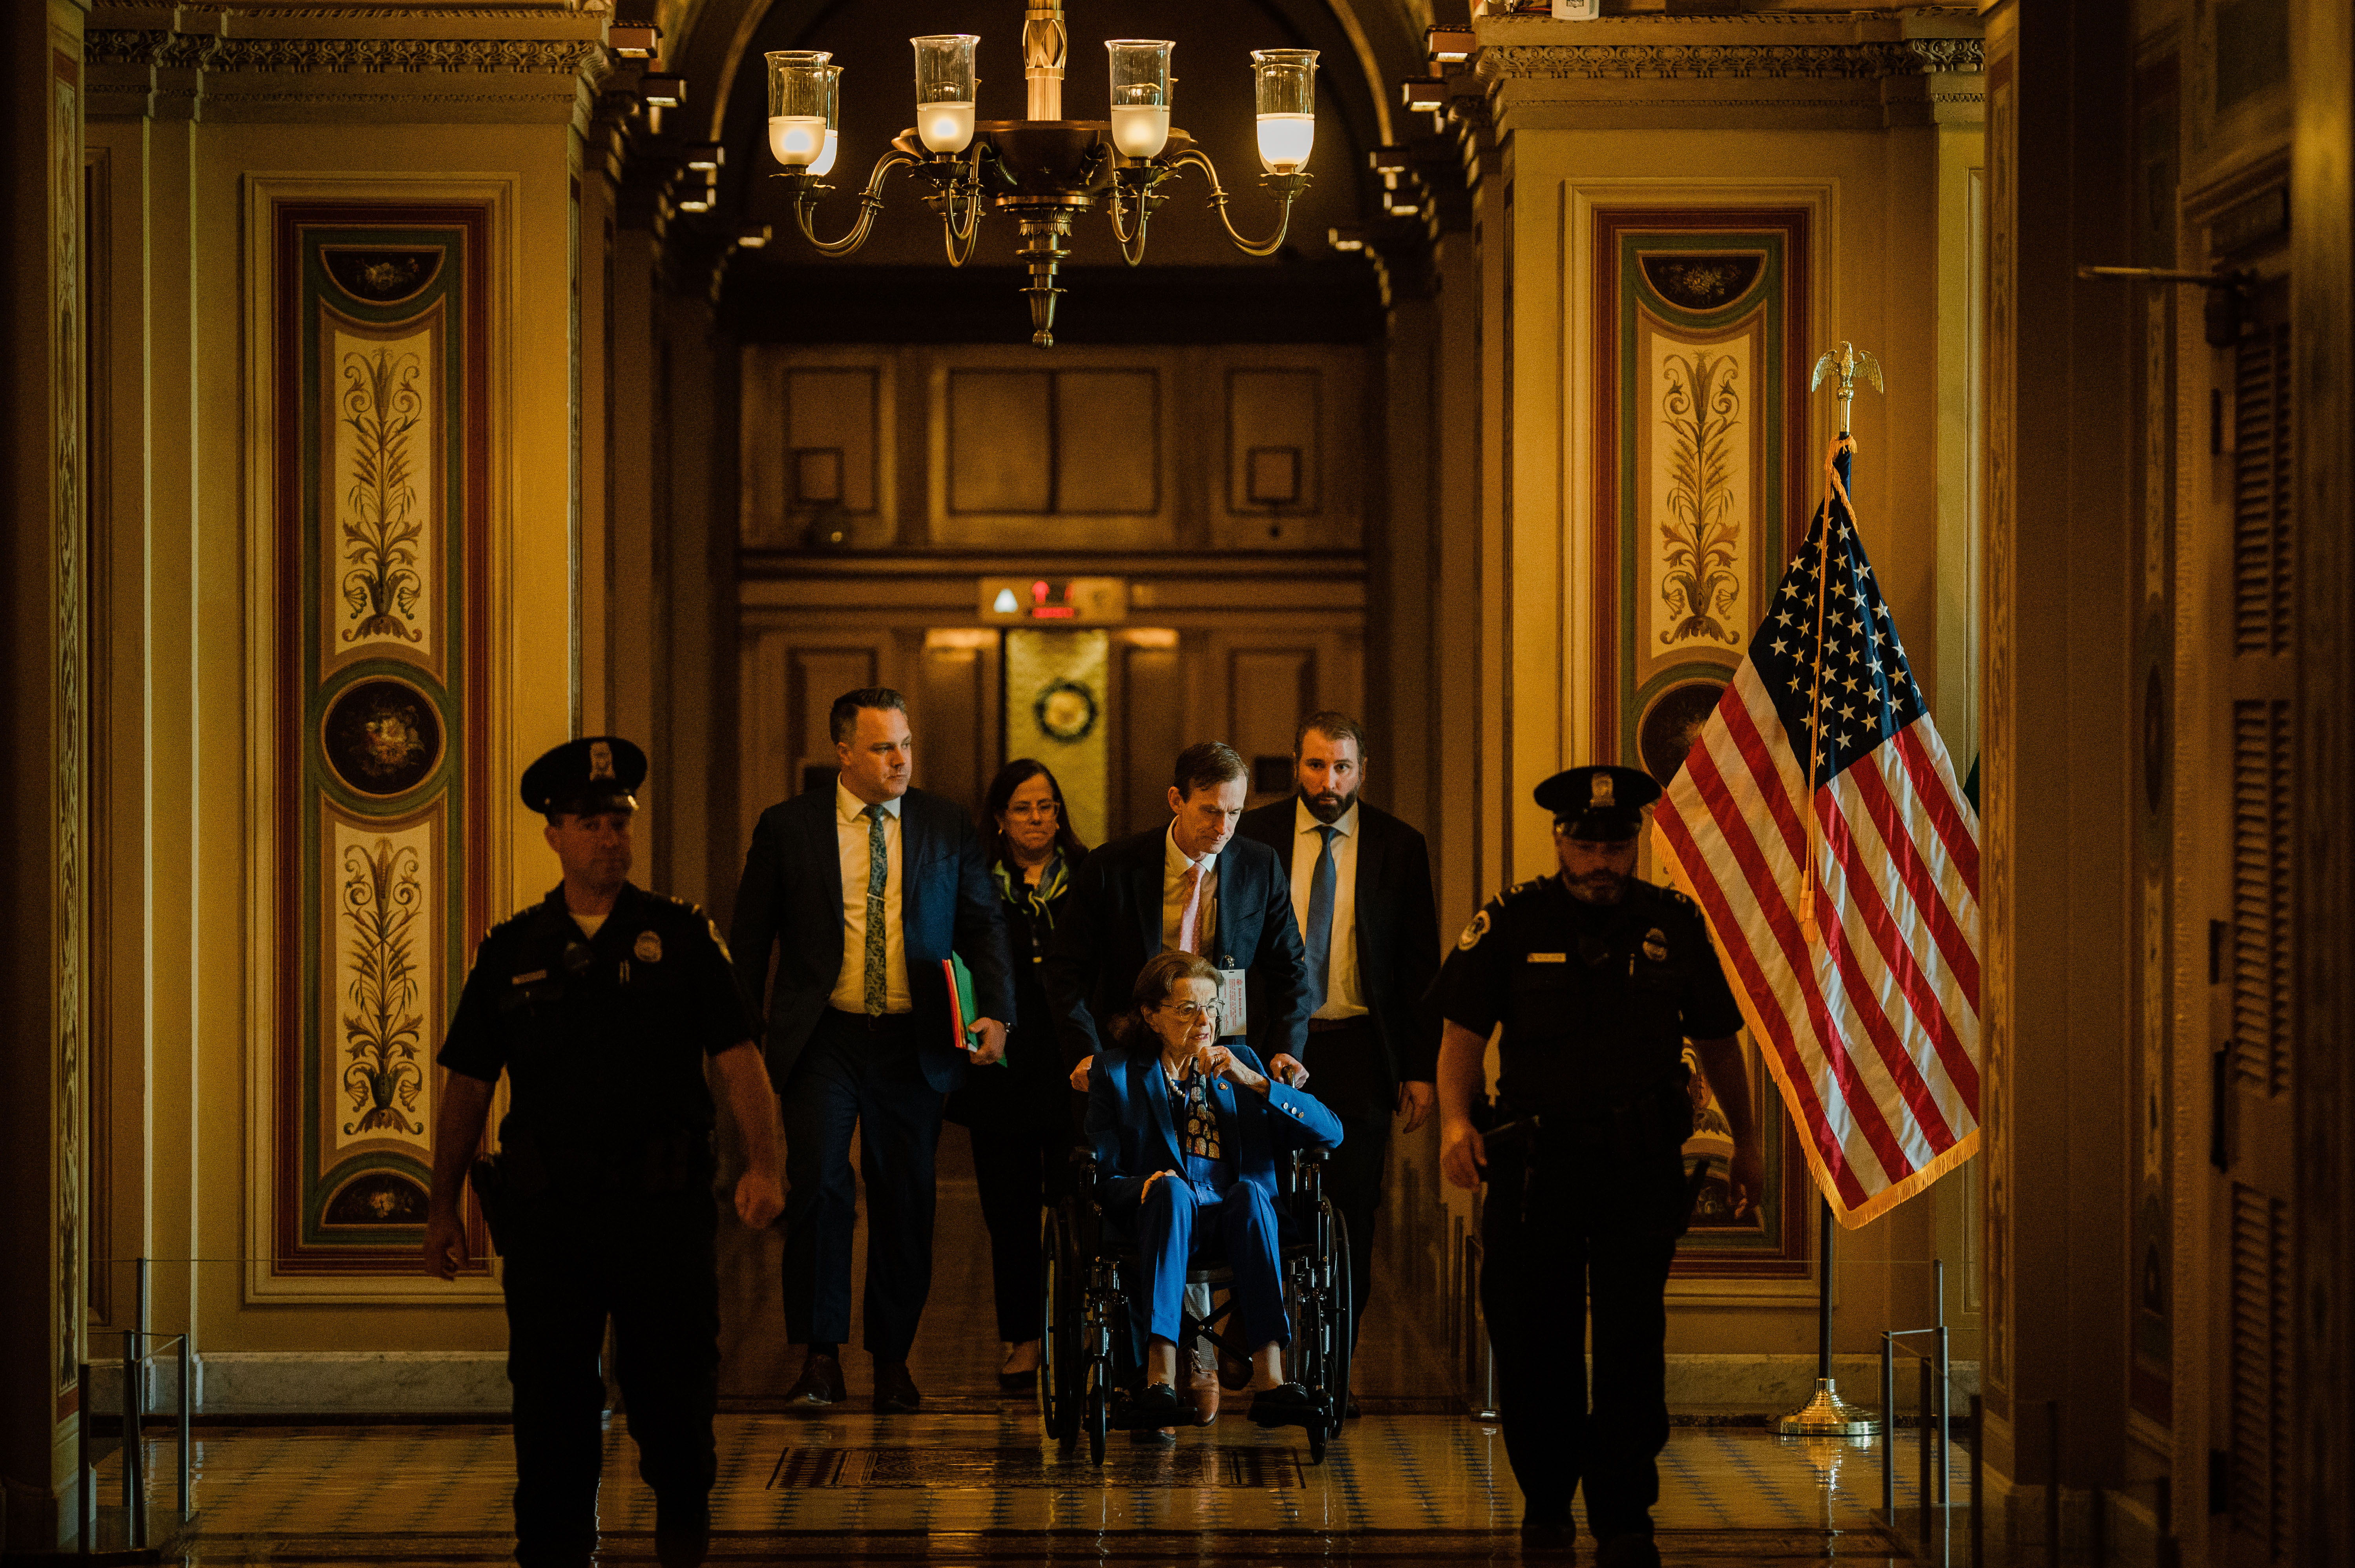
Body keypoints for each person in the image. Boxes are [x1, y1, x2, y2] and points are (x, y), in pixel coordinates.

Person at [422, 737, 784, 1568]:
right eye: (591, 824)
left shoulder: (683, 939)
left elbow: (741, 1065)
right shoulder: (513, 950)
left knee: (674, 1393)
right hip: (551, 1219)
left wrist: (767, 1167)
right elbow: (469, 1086)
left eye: (620, 822)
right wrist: (443, 1206)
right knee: (550, 1397)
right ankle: (553, 1550)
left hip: (662, 1213)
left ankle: (683, 1538)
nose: (610, 839)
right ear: (554, 834)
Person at [1433, 765, 1765, 1567]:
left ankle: (1624, 1513)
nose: (1601, 860)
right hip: (1535, 1165)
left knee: (1629, 1341)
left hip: (1637, 1164)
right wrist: (1452, 1121)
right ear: (1561, 843)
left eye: (1616, 845)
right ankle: (1547, 1502)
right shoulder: (1511, 921)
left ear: (1637, 843)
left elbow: (1720, 1040)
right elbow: (1463, 1035)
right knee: (1532, 1338)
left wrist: (1749, 1142)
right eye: (1586, 844)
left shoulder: (1674, 923)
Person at [727, 687, 1015, 1415]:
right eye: (884, 747)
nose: (900, 760)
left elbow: (984, 926)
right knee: (822, 1187)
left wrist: (996, 1015)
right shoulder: (788, 828)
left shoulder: (944, 823)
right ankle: (819, 1359)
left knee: (906, 1198)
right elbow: (752, 939)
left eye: (906, 745)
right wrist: (739, 1039)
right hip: (824, 1034)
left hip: (911, 1041)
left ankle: (893, 1359)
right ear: (844, 752)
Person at [1044, 740, 1314, 1428]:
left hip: (1229, 1058)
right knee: (1157, 1186)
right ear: (1176, 801)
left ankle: (1238, 1358)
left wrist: (1281, 1055)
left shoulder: (1257, 866)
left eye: (1234, 813)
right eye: (1208, 812)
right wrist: (1086, 1053)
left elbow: (1290, 971)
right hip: (1136, 1059)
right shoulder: (1114, 867)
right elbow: (1066, 971)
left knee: (1240, 1183)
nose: (1222, 828)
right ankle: (1164, 1366)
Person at [1235, 713, 1440, 1403]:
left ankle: (1334, 1368)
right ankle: (1259, 1344)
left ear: (1362, 770)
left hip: (1357, 1050)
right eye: (1318, 766)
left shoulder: (1398, 846)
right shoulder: (1255, 834)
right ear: (1297, 764)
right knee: (1255, 1194)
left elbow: (1419, 965)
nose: (1331, 782)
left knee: (1352, 1212)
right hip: (1267, 1047)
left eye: (1344, 767)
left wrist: (1420, 1067)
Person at [1085, 951, 1344, 1433]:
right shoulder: (1116, 1073)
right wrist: (1145, 1187)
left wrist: (1256, 1083)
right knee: (1173, 1193)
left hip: (1240, 1223)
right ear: (1151, 1015)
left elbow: (1332, 1134)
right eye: (1187, 1009)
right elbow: (1104, 1177)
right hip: (1164, 1220)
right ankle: (1160, 1378)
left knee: (1249, 1193)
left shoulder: (1242, 1064)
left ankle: (1271, 1379)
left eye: (1212, 1008)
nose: (1205, 1021)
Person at [944, 758, 1089, 1392]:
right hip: (998, 1069)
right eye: (1025, 808)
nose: (1038, 819)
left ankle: (1080, 1333)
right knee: (1007, 1213)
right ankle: (1024, 1339)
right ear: (999, 817)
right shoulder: (973, 881)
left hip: (1071, 1067)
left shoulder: (1087, 877)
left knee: (1076, 1205)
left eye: (1048, 806)